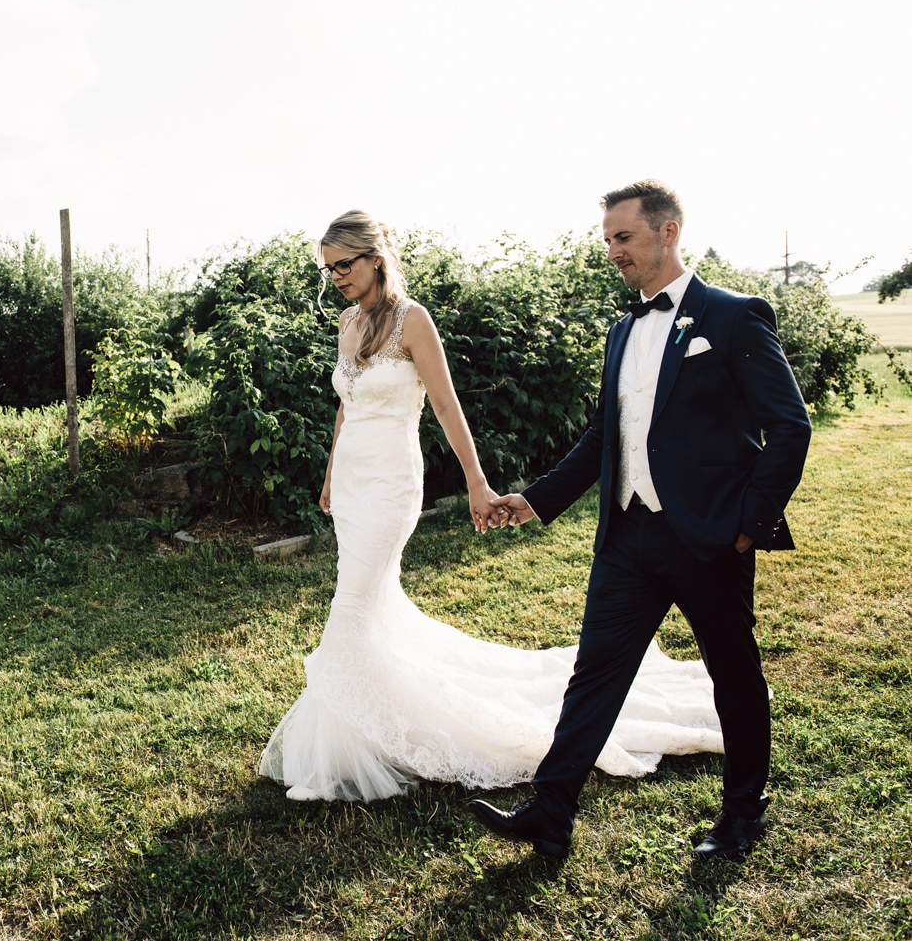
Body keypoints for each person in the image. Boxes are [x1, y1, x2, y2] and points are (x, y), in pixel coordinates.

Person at [258, 209, 726, 803]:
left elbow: (448, 408)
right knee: (369, 608)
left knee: (348, 608)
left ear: (375, 257)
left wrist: (477, 484)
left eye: (343, 265)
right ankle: (363, 736)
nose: (336, 279)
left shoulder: (413, 320)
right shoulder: (349, 322)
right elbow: (345, 407)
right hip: (351, 485)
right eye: (328, 271)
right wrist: (329, 475)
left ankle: (334, 760)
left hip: (391, 487)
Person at [469, 180, 812, 860]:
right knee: (594, 672)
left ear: (669, 231)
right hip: (628, 536)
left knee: (732, 674)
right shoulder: (622, 331)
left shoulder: (736, 318)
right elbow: (605, 436)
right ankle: (551, 810)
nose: (612, 252)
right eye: (607, 240)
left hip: (710, 536)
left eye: (623, 237)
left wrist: (748, 523)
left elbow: (790, 426)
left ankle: (744, 811)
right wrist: (534, 499)